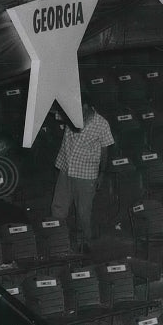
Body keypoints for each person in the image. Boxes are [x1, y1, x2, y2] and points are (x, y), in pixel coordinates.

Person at [52, 103, 115, 253]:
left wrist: (102, 174)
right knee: (58, 207)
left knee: (83, 213)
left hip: (86, 174)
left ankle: (86, 247)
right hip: (66, 168)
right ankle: (57, 243)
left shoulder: (101, 123)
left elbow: (105, 151)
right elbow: (52, 111)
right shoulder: (70, 113)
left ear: (88, 107)